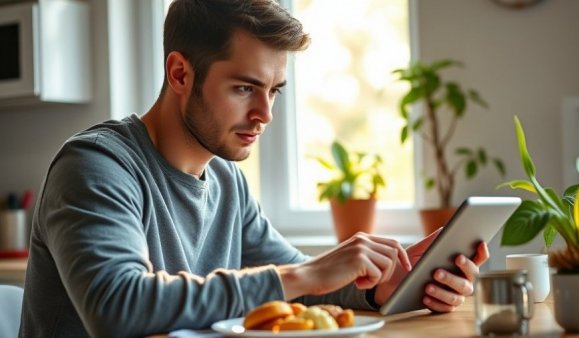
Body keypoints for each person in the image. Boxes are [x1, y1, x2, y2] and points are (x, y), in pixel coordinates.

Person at [19, 0, 489, 337]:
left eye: (274, 91)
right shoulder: (95, 166)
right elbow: (116, 308)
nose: (265, 114)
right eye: (245, 88)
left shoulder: (226, 181)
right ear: (180, 73)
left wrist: (376, 289)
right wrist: (305, 276)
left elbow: (293, 285)